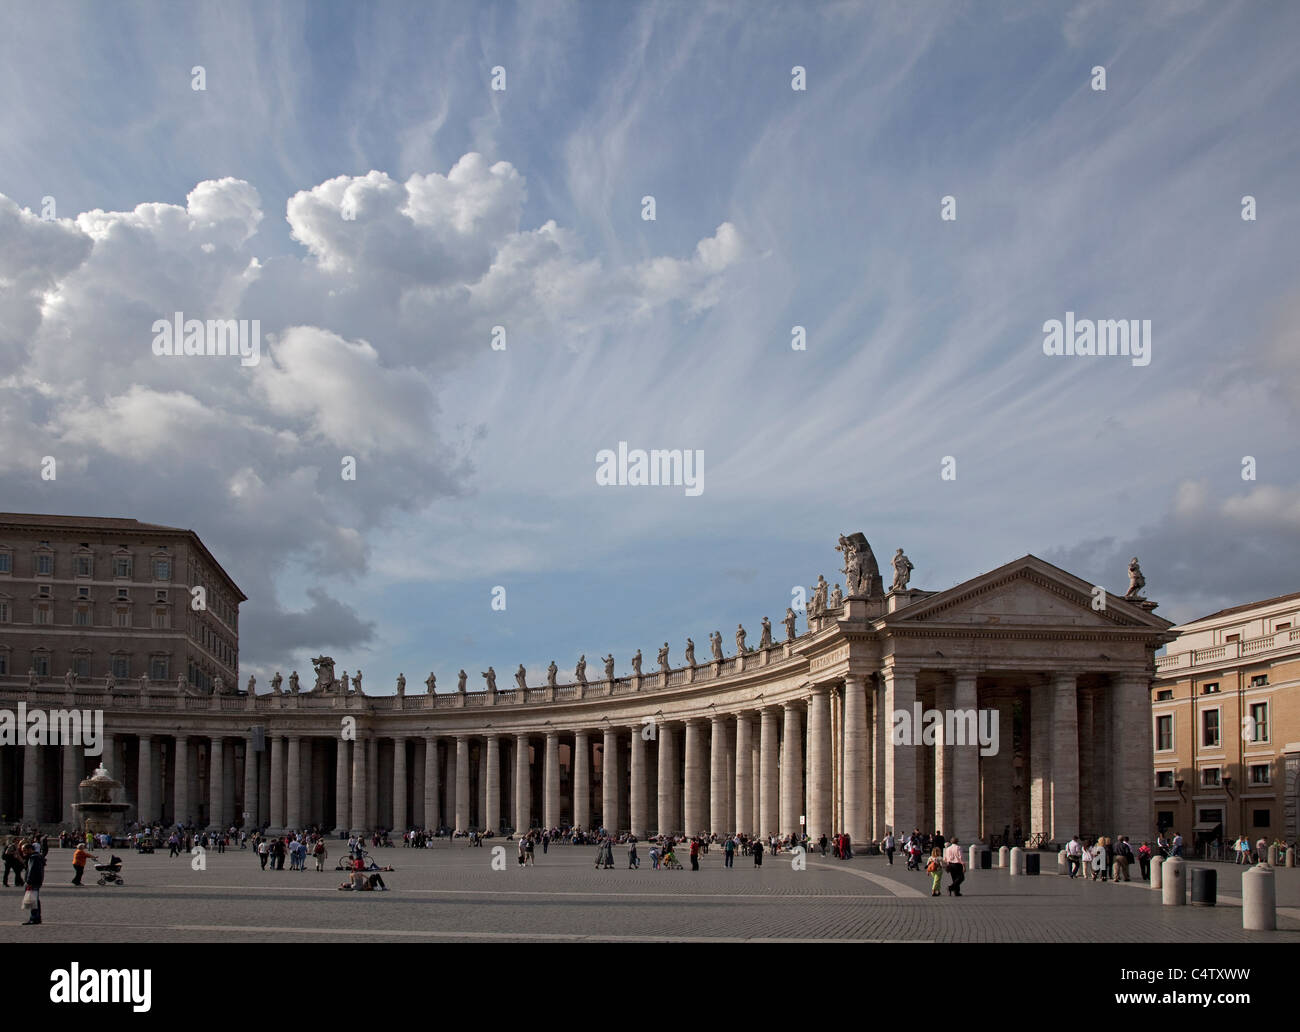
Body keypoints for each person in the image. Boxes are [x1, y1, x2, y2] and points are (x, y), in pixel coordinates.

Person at [21, 843, 45, 925]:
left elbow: (31, 871)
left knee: (32, 900)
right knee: (35, 900)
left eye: (24, 850)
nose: (23, 852)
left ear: (30, 849)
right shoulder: (38, 856)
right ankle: (37, 917)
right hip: (37, 881)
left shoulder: (33, 858)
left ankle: (34, 918)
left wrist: (28, 882)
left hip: (33, 882)